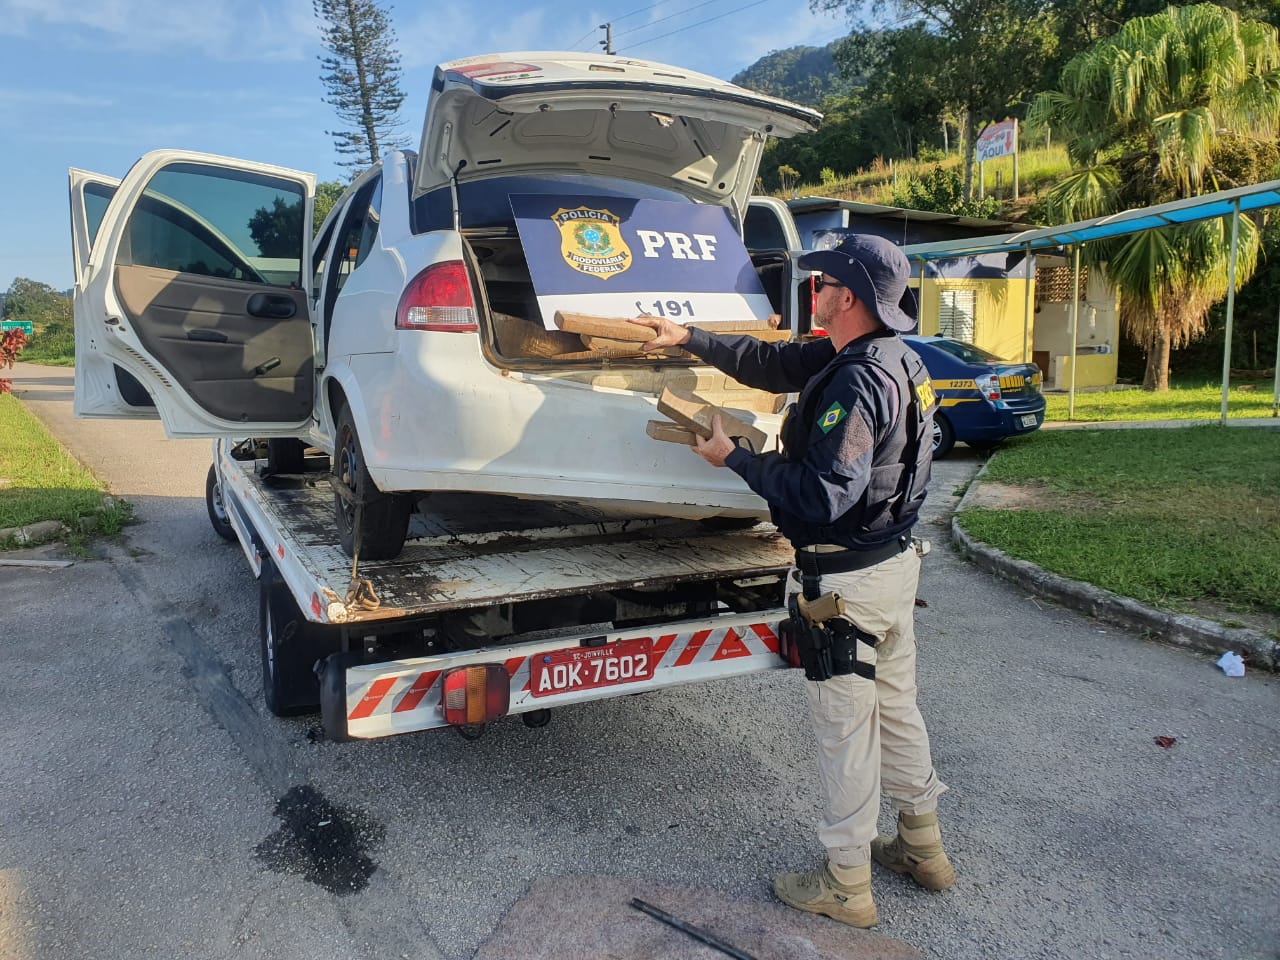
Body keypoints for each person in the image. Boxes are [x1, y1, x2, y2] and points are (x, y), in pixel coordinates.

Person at [637, 234, 953, 929]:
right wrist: (686, 335)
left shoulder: (856, 381)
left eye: (820, 285)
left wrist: (735, 460)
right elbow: (773, 362)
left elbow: (821, 496)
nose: (811, 293)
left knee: (846, 729)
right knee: (898, 708)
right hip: (893, 567)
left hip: (846, 586)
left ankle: (847, 884)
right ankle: (923, 849)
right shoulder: (889, 357)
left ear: (846, 297)